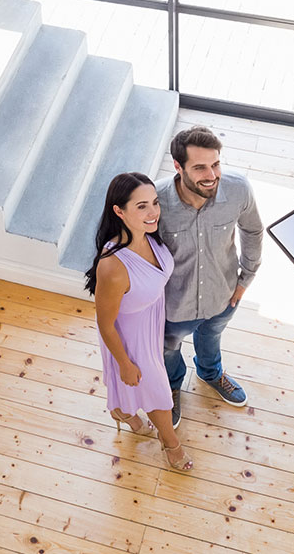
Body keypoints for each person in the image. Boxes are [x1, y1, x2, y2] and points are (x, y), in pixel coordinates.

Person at [85, 171, 193, 472]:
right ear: (119, 211)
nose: (153, 212)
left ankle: (122, 411)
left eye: (155, 203)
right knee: (158, 391)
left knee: (146, 386)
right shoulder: (113, 267)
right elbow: (106, 324)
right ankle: (172, 444)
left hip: (151, 320)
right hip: (129, 338)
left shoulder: (150, 236)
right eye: (142, 206)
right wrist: (124, 362)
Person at [158, 126, 263, 426]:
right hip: (173, 306)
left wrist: (246, 279)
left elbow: (253, 231)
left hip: (223, 295)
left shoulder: (238, 189)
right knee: (168, 350)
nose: (212, 175)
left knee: (212, 337)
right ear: (178, 167)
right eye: (200, 167)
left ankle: (210, 373)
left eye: (216, 164)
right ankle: (172, 384)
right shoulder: (156, 202)